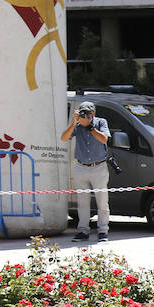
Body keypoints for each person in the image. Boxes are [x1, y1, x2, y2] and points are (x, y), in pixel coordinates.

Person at [60, 100, 111, 244]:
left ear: (93, 113)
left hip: (99, 167)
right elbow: (63, 138)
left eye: (88, 113)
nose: (86, 115)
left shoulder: (101, 122)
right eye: (83, 112)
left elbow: (104, 139)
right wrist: (73, 122)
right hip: (81, 166)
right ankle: (83, 230)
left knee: (102, 201)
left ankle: (103, 231)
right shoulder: (77, 125)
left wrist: (90, 127)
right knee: (82, 202)